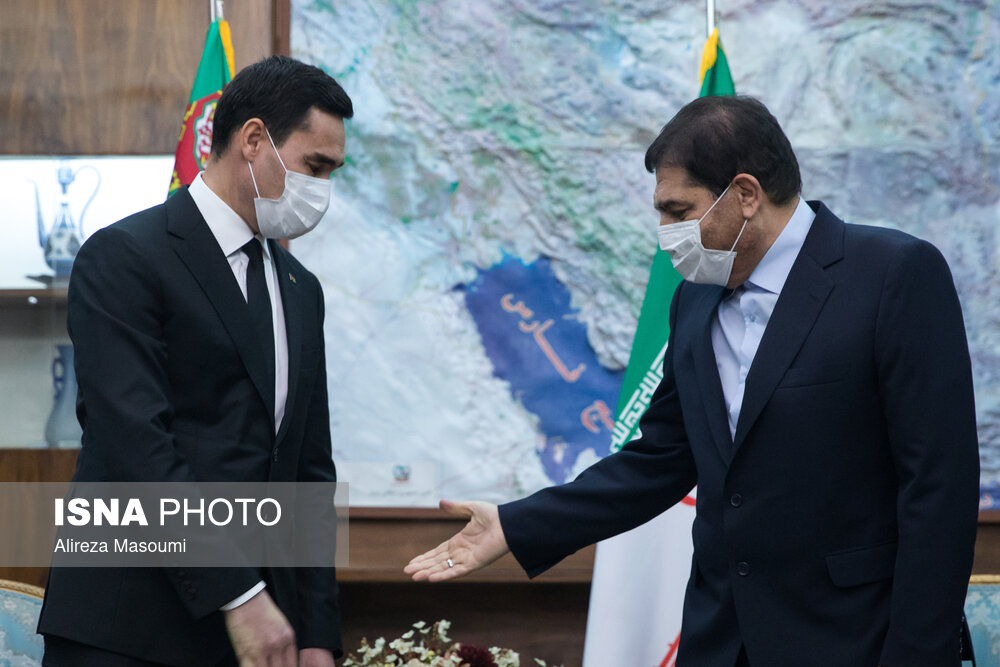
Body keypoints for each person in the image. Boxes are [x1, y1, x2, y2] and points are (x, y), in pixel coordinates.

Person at [406, 95, 981, 667]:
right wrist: (515, 526)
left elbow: (939, 486)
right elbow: (661, 458)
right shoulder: (693, 300)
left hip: (853, 639)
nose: (665, 232)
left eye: (678, 211)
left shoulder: (893, 274)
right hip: (720, 641)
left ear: (746, 194)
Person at [38, 56, 352, 667]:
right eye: (315, 167)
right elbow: (135, 443)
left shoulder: (300, 288)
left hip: (257, 636)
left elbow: (308, 470)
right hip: (129, 628)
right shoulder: (125, 256)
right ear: (254, 140)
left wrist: (317, 631)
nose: (321, 190)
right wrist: (239, 594)